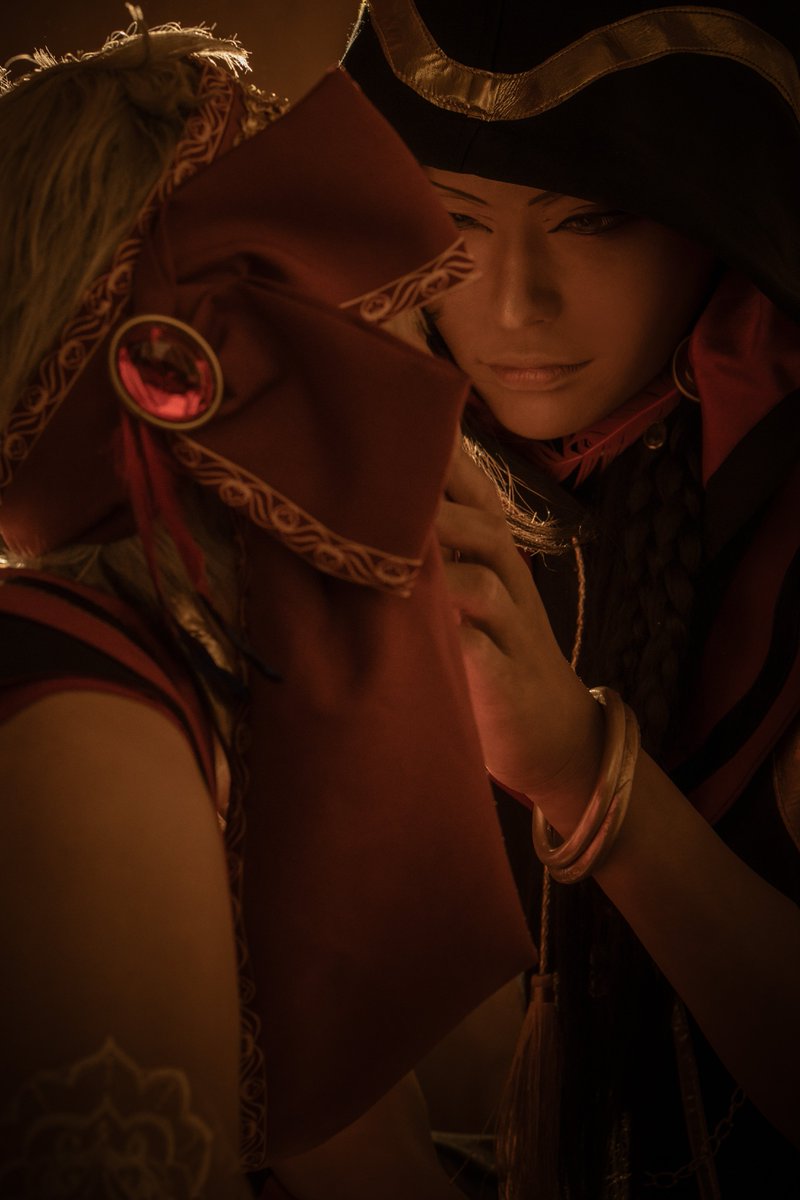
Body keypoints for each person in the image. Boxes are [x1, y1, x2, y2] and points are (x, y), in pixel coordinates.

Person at [0, 16, 537, 1198]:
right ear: (190, 386)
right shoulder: (79, 725)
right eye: (375, 324)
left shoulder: (226, 730)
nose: (430, 395)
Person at [342, 2, 800, 1197]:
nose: (511, 307)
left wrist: (582, 771)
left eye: (591, 220)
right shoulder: (359, 473)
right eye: (453, 219)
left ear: (721, 215)